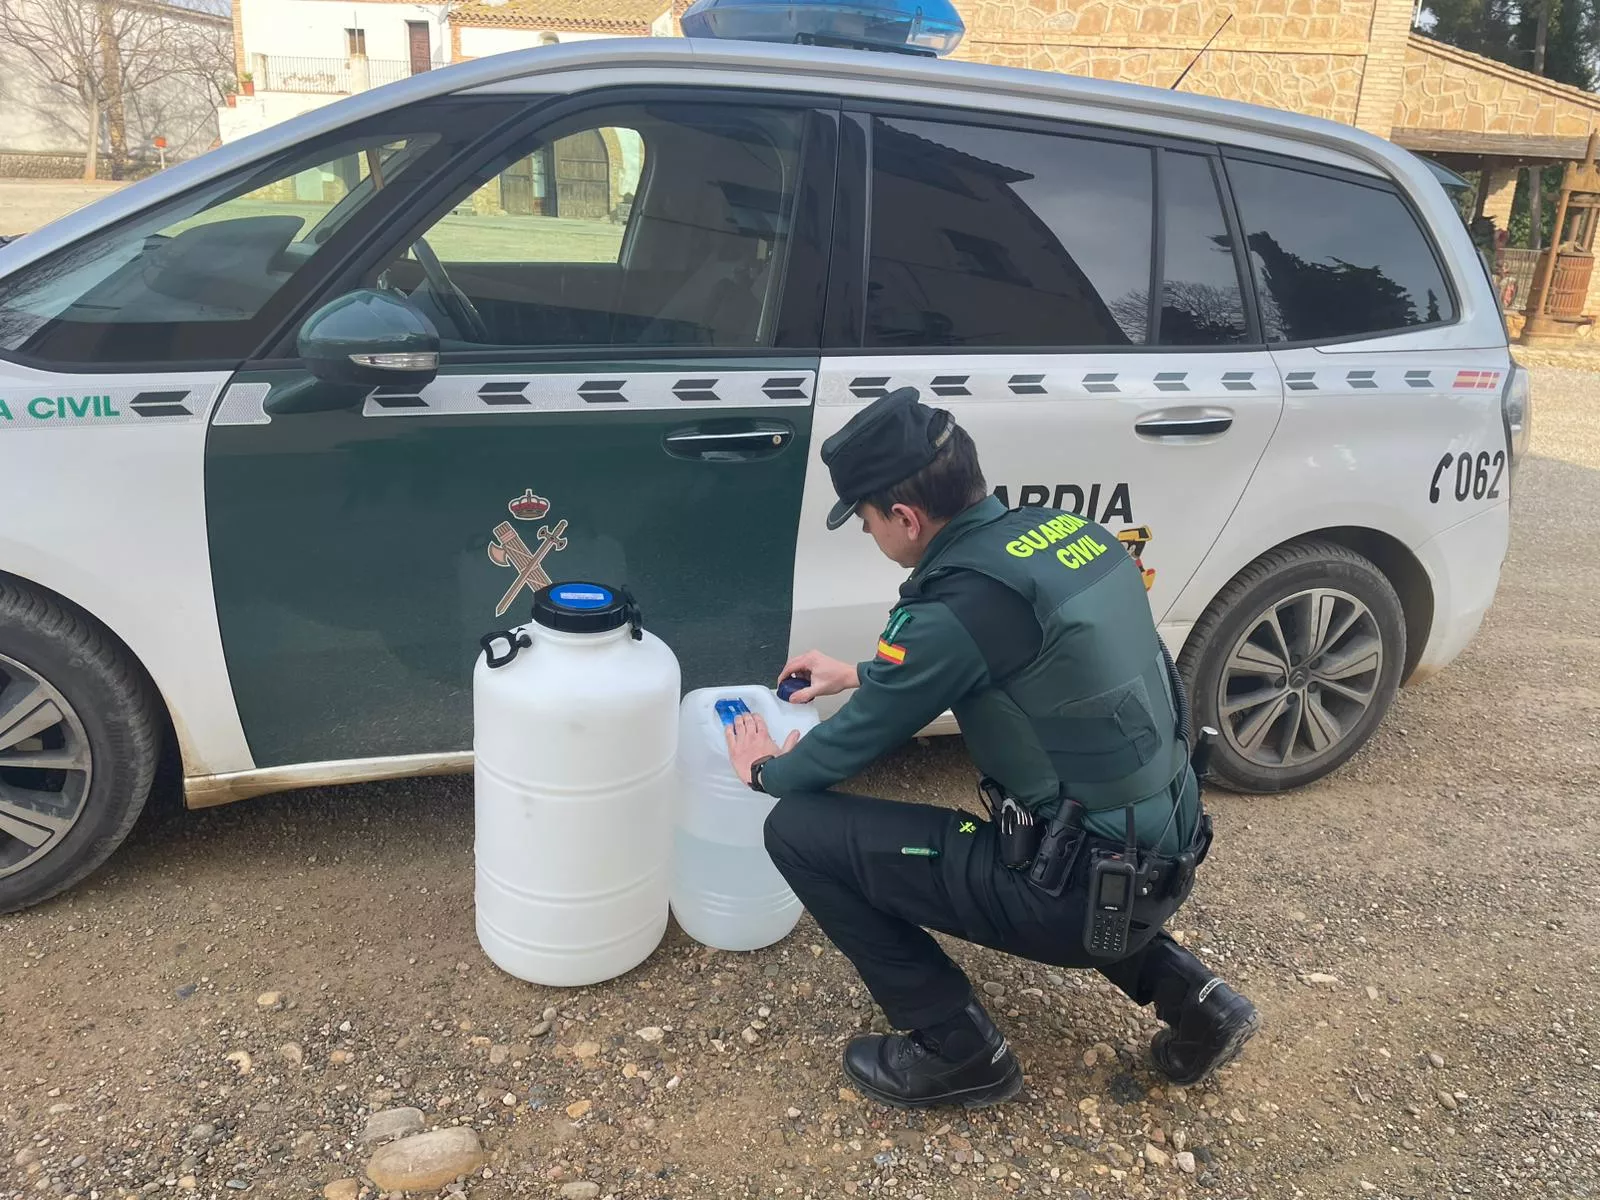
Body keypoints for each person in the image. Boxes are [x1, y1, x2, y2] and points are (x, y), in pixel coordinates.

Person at [724, 387, 1260, 1109]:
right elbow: (1020, 666)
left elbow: (843, 750)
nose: (866, 532)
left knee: (796, 829)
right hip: (1163, 852)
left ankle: (957, 1050)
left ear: (906, 518)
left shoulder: (954, 605)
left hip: (1076, 895)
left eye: (865, 518)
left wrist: (763, 767)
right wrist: (857, 673)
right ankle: (1197, 1001)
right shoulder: (1069, 536)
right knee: (1082, 822)